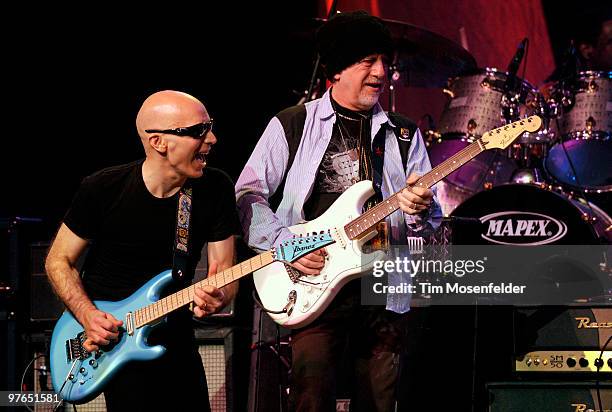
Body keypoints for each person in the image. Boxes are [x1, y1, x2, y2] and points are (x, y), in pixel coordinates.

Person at [235, 11, 442, 412]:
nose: (381, 72)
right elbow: (248, 195)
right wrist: (285, 244)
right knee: (311, 398)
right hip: (312, 279)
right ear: (337, 69)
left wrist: (421, 207)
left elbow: (426, 219)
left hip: (382, 286)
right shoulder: (293, 124)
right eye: (368, 61)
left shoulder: (403, 133)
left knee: (381, 401)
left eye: (385, 61)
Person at [45, 90, 239, 411]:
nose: (212, 139)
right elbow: (58, 261)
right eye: (198, 131)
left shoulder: (214, 188)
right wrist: (88, 316)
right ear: (159, 142)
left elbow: (225, 274)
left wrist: (219, 296)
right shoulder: (103, 188)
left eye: (210, 126)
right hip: (112, 342)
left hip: (177, 337)